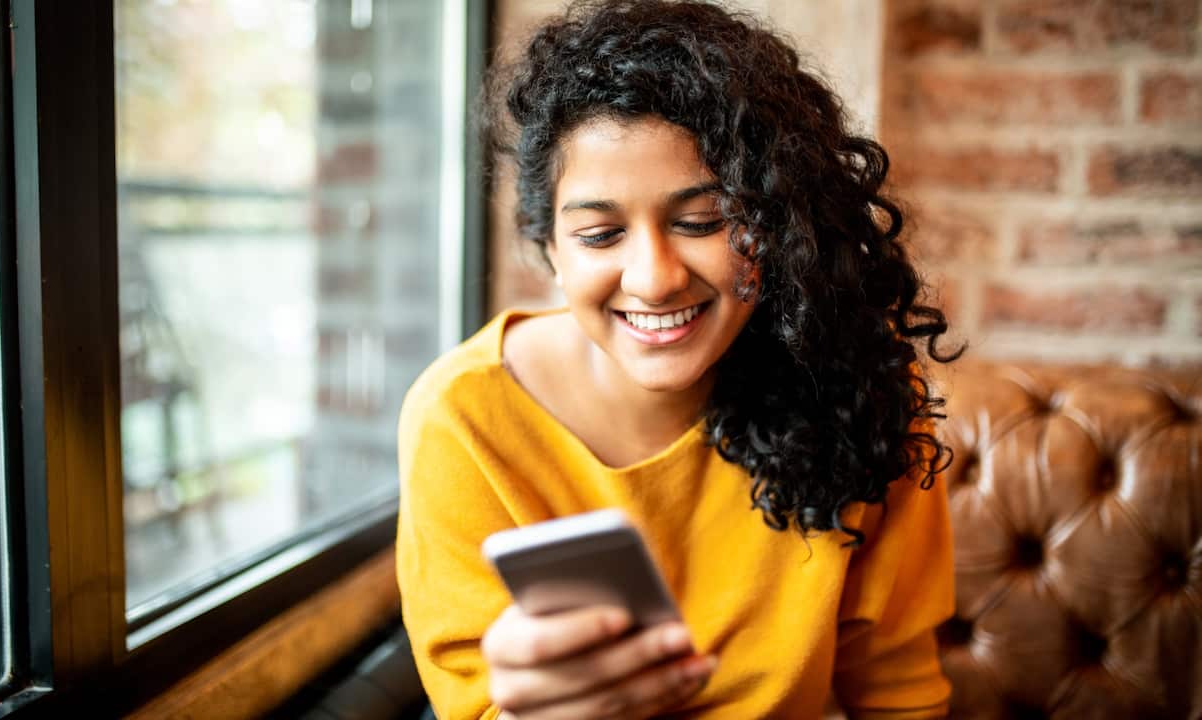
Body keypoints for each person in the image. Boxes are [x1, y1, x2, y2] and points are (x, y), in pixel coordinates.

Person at [396, 1, 961, 717]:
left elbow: (898, 692)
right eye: (600, 235)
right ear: (551, 251)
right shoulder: (464, 419)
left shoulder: (859, 386)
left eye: (703, 222)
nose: (655, 277)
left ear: (778, 224)